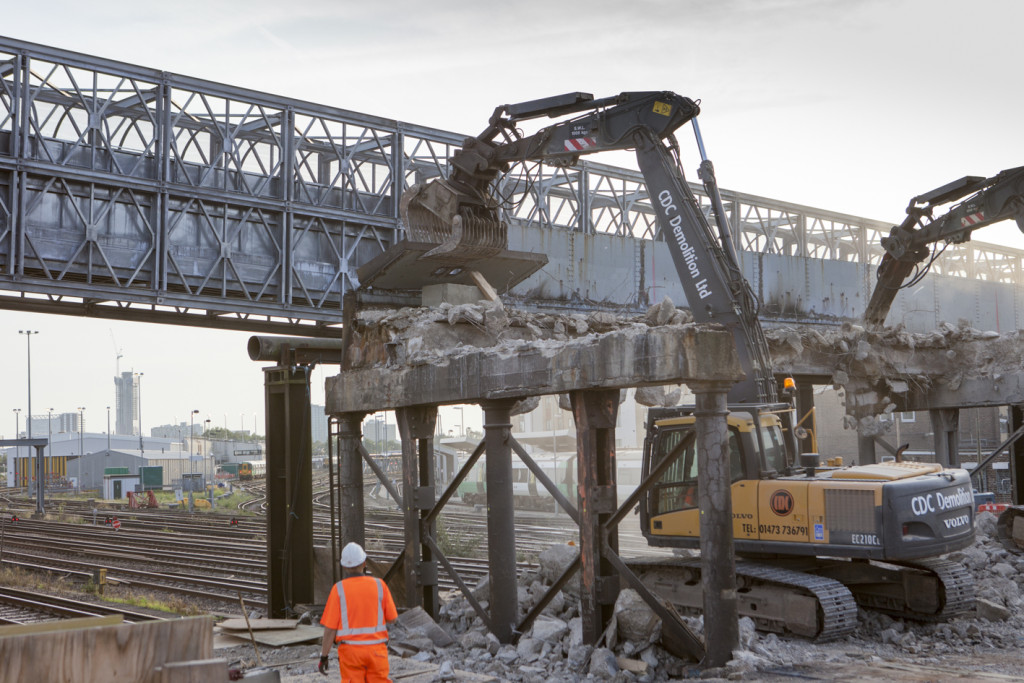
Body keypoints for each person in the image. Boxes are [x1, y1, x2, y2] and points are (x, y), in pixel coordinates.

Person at [318, 542, 397, 681]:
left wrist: (324, 656)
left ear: (344, 566)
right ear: (364, 563)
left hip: (351, 653)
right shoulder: (380, 585)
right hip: (377, 652)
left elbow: (330, 629)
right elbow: (392, 619)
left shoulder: (339, 589)